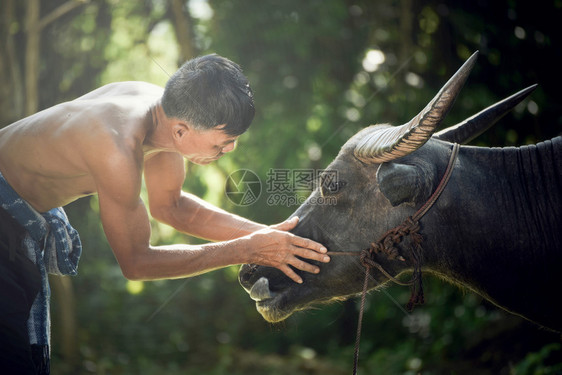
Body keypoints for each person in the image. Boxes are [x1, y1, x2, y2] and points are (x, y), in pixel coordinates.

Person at [0, 54, 330, 374]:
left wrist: (270, 236)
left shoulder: (163, 113)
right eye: (222, 142)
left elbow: (171, 207)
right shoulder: (115, 146)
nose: (230, 149)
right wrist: (247, 250)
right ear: (182, 131)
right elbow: (136, 262)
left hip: (18, 219)